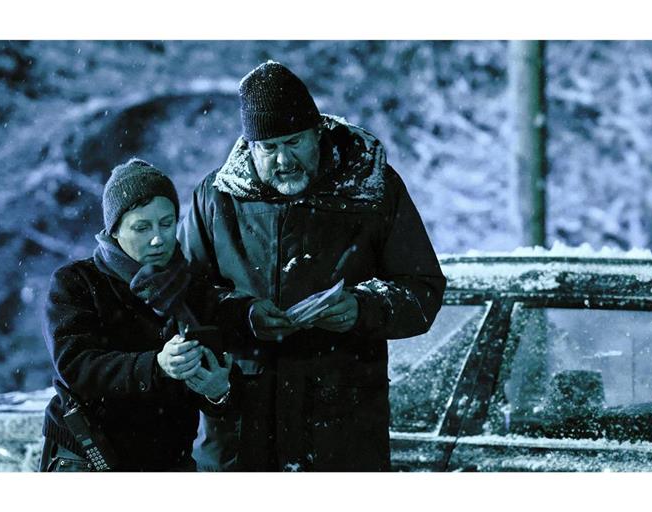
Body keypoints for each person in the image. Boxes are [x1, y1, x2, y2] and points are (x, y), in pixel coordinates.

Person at [179, 61, 447, 471]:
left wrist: (363, 308)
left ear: (318, 132)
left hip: (342, 426)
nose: (283, 160)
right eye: (268, 148)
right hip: (241, 427)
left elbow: (423, 288)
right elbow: (182, 296)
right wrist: (242, 314)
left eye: (294, 141)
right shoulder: (215, 198)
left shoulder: (373, 189)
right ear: (249, 146)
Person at [40, 158, 243, 472]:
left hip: (168, 459)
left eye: (166, 223)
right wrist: (157, 365)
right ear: (115, 229)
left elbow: (224, 372)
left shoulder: (191, 287)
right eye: (142, 227)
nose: (158, 238)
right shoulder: (76, 282)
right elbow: (76, 366)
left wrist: (219, 390)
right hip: (87, 457)